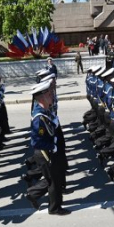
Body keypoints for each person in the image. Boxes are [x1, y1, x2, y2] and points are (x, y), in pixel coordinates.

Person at [26, 80, 71, 215]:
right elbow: (36, 141)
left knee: (53, 179)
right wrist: (52, 145)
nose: (52, 95)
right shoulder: (39, 117)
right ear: (42, 97)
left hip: (50, 151)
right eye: (49, 94)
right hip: (46, 153)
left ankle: (33, 194)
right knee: (54, 181)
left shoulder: (45, 111)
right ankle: (54, 208)